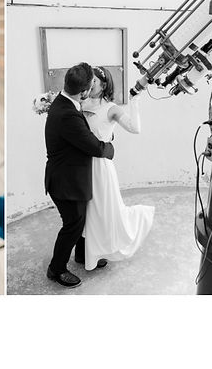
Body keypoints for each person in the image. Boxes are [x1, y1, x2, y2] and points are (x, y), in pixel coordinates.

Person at [44, 63, 116, 288]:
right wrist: (110, 147)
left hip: (70, 176)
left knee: (81, 219)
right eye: (91, 85)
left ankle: (82, 255)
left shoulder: (66, 101)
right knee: (73, 224)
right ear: (83, 92)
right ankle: (56, 269)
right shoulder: (67, 114)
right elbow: (94, 147)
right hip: (65, 182)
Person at [79, 66, 155, 271]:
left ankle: (139, 218)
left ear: (103, 85)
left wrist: (135, 102)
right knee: (86, 212)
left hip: (101, 166)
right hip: (81, 164)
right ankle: (89, 253)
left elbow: (135, 128)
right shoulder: (80, 101)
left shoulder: (111, 108)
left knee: (103, 211)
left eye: (93, 81)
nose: (89, 84)